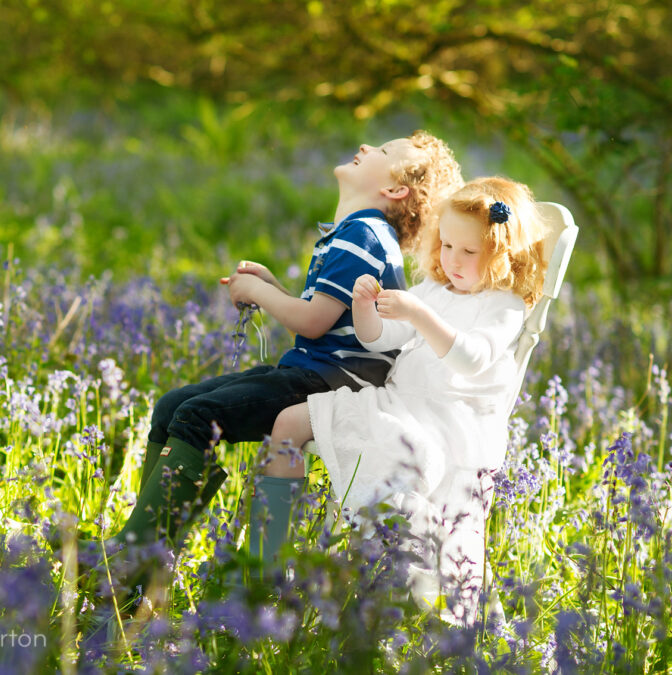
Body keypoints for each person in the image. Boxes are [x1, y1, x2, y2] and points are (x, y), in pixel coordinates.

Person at [92, 132, 464, 565]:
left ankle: (135, 561)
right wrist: (274, 287)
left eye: (381, 151)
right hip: (316, 370)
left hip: (333, 383)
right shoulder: (356, 233)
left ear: (395, 190)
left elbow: (311, 321)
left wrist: (258, 292)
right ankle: (138, 549)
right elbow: (325, 320)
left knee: (197, 415)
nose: (365, 147)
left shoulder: (364, 234)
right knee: (172, 405)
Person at [257, 176, 547, 625]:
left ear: (502, 254)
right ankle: (267, 569)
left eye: (468, 252)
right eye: (446, 245)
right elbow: (382, 339)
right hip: (394, 406)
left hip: (445, 428)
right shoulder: (434, 290)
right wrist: (364, 310)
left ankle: (399, 577)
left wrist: (418, 313)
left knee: (399, 485)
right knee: (288, 423)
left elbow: (472, 358)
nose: (452, 260)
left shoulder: (503, 305)